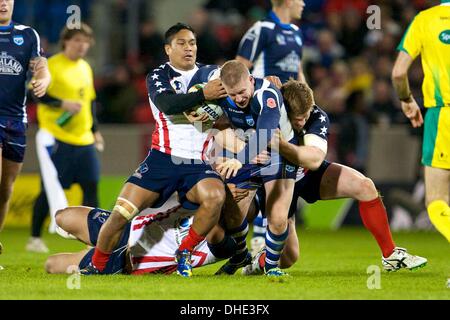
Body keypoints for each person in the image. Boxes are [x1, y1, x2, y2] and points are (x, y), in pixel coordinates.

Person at [81, 23, 228, 278]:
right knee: (119, 215)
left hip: (197, 163)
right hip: (162, 159)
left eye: (192, 43)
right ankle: (98, 264)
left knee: (215, 196)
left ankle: (185, 250)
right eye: (181, 43)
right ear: (168, 49)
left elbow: (239, 89)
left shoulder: (211, 74)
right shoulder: (159, 76)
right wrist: (204, 94)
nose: (188, 48)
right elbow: (167, 104)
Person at [241, 80, 428, 275]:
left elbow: (314, 160)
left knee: (365, 186)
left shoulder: (316, 116)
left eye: (304, 117)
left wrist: (282, 145)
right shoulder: (268, 109)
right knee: (288, 258)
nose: (301, 123)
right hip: (277, 181)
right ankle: (258, 260)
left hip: (306, 173)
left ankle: (390, 255)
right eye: (297, 119)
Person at [214, 60, 297, 277]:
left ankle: (271, 267)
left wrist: (239, 159)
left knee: (279, 222)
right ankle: (241, 255)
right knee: (231, 213)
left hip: (280, 156)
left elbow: (265, 132)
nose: (239, 98)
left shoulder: (266, 94)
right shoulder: (221, 93)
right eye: (233, 95)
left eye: (242, 92)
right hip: (250, 157)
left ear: (250, 80)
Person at [236, 0, 306, 254]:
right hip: (264, 110)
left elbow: (298, 73)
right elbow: (238, 68)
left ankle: (267, 230)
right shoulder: (262, 29)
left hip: (289, 114)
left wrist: (306, 103)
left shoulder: (297, 33)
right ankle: (255, 235)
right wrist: (259, 85)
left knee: (281, 172)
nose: (304, 3)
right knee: (262, 165)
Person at [27, 23, 104, 253]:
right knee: (51, 187)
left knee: (91, 186)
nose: (82, 45)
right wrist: (62, 104)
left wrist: (95, 130)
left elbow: (89, 102)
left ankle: (95, 237)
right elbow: (36, 93)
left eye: (86, 41)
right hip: (58, 137)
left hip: (83, 139)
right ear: (66, 42)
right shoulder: (52, 65)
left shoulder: (85, 68)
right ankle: (34, 237)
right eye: (77, 40)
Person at [45, 192, 238, 275]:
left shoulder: (224, 244)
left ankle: (92, 250)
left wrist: (223, 197)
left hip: (126, 258)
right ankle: (92, 242)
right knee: (62, 216)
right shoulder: (199, 202)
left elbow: (214, 229)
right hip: (126, 228)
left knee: (51, 265)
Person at [391, 1, 450, 243]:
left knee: (436, 200)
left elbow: (398, 73)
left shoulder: (425, 20)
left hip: (443, 116)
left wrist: (406, 99)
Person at [0, 0, 51, 267]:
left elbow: (41, 65)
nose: (3, 2)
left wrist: (43, 79)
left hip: (15, 122)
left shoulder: (27, 34)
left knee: (5, 189)